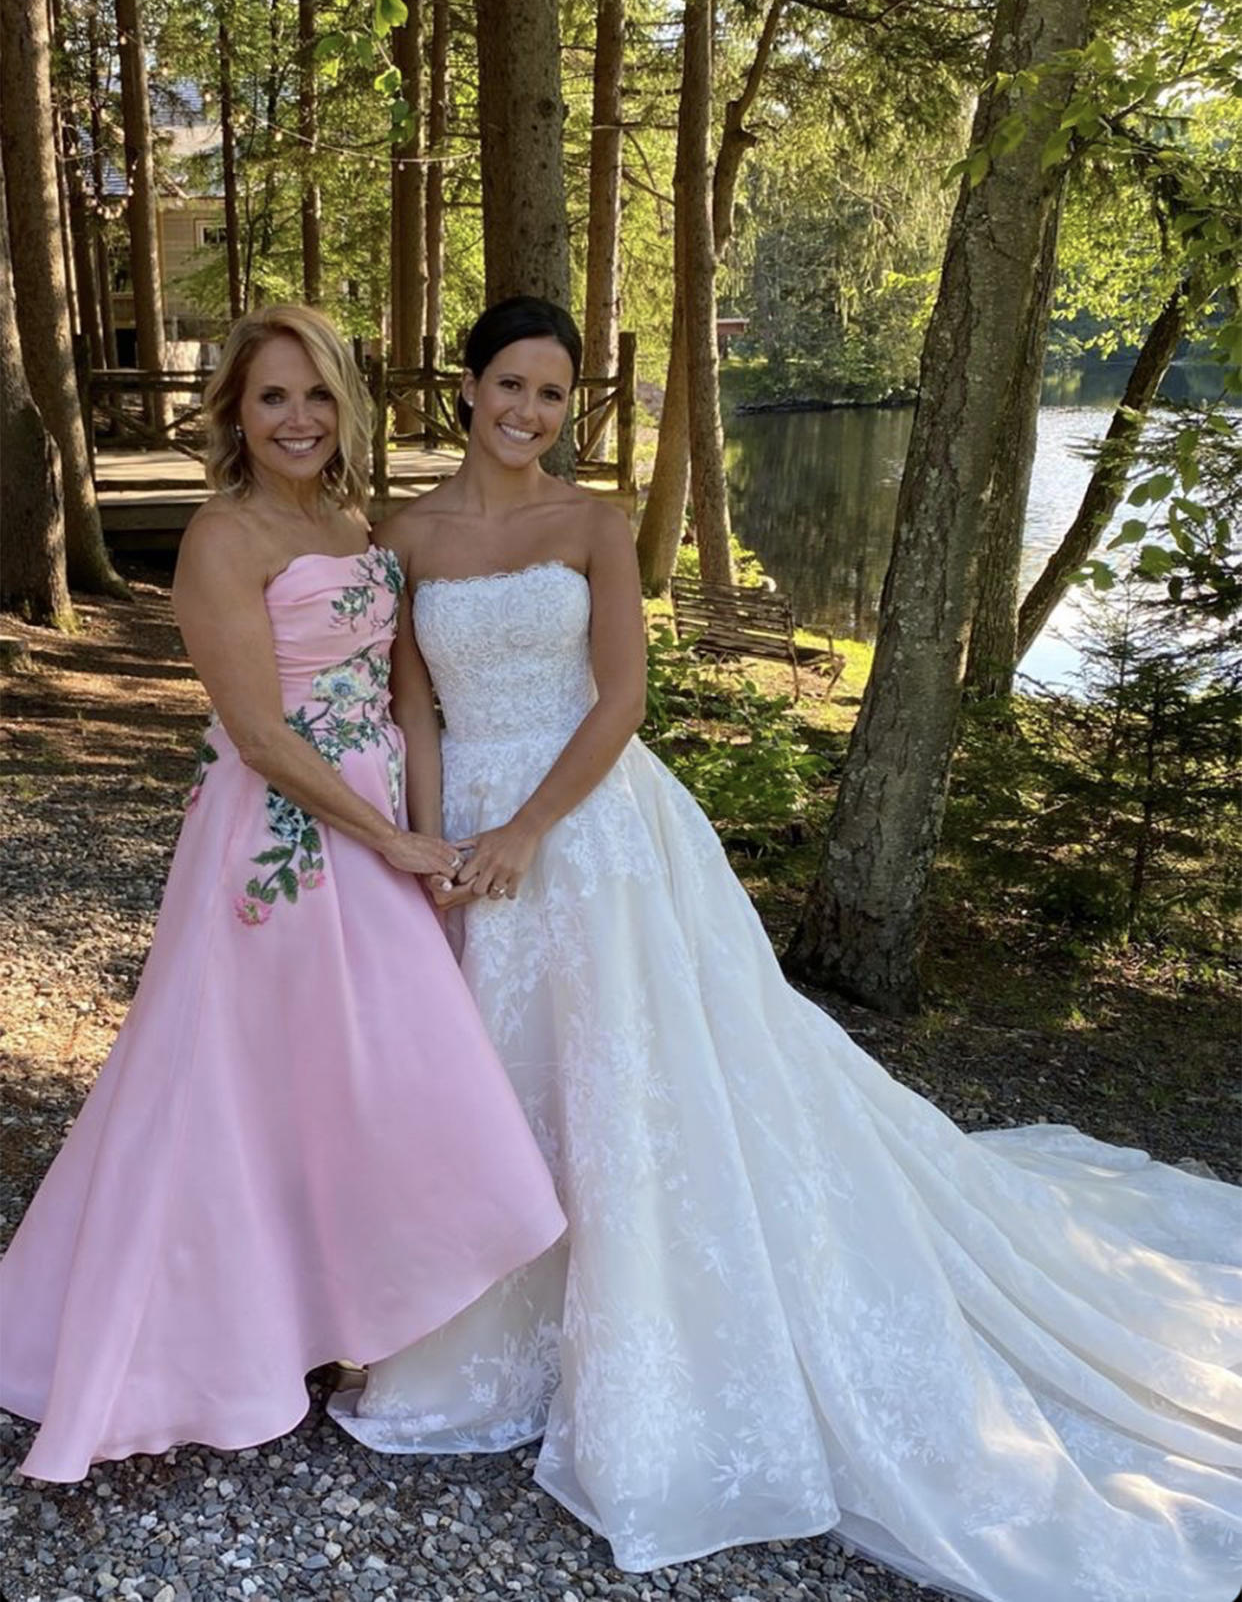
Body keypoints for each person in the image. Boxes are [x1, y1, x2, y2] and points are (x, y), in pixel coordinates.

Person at [333, 295, 1242, 1602]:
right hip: (467, 831)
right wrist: (431, 853)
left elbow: (625, 699)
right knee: (492, 1078)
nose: (527, 412)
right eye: (508, 386)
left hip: (592, 830)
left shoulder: (589, 524)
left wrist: (530, 826)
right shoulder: (406, 535)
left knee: (629, 1086)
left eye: (551, 394)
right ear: (463, 387)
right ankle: (489, 1343)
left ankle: (638, 1349)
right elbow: (412, 708)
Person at [0, 303, 565, 1484]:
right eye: (271, 398)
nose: (297, 417)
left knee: (357, 1066)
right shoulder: (224, 534)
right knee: (246, 1076)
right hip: (283, 836)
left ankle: (346, 1310)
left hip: (370, 816)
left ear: (344, 404)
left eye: (315, 394)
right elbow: (258, 731)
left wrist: (420, 822)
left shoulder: (354, 521)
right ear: (235, 415)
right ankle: (216, 1339)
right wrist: (391, 841)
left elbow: (404, 691)